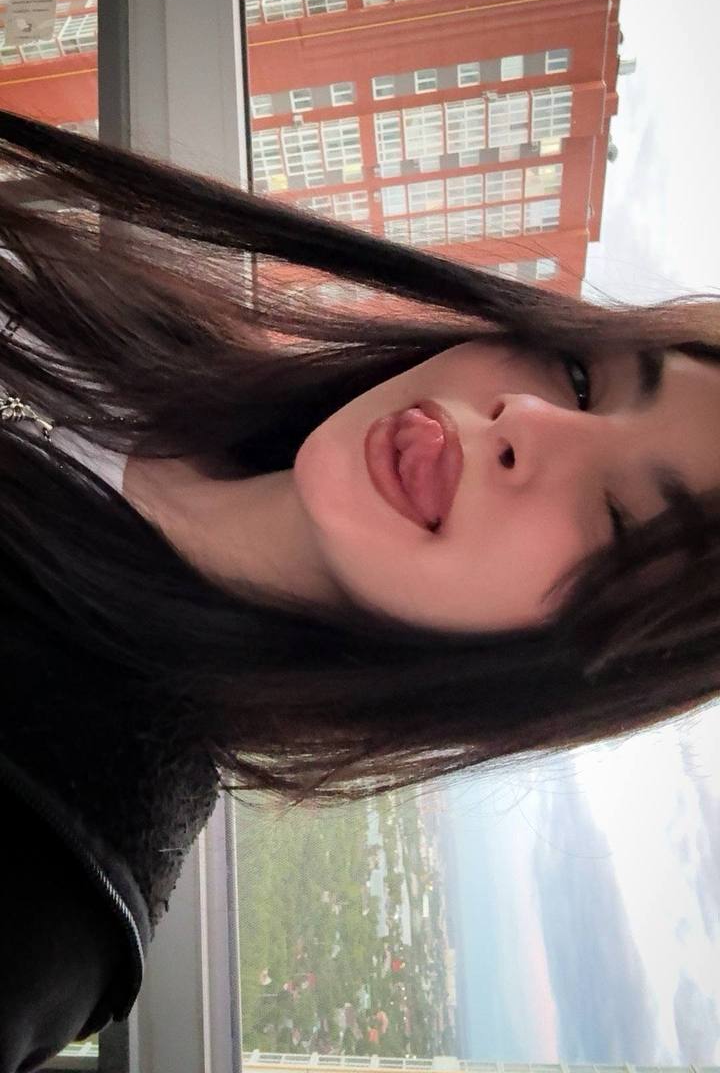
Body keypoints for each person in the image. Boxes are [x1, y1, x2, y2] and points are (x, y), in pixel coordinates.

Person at [0, 108, 718, 1069]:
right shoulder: (144, 337)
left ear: (564, 661)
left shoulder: (51, 874)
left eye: (621, 520)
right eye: (584, 379)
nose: (529, 419)